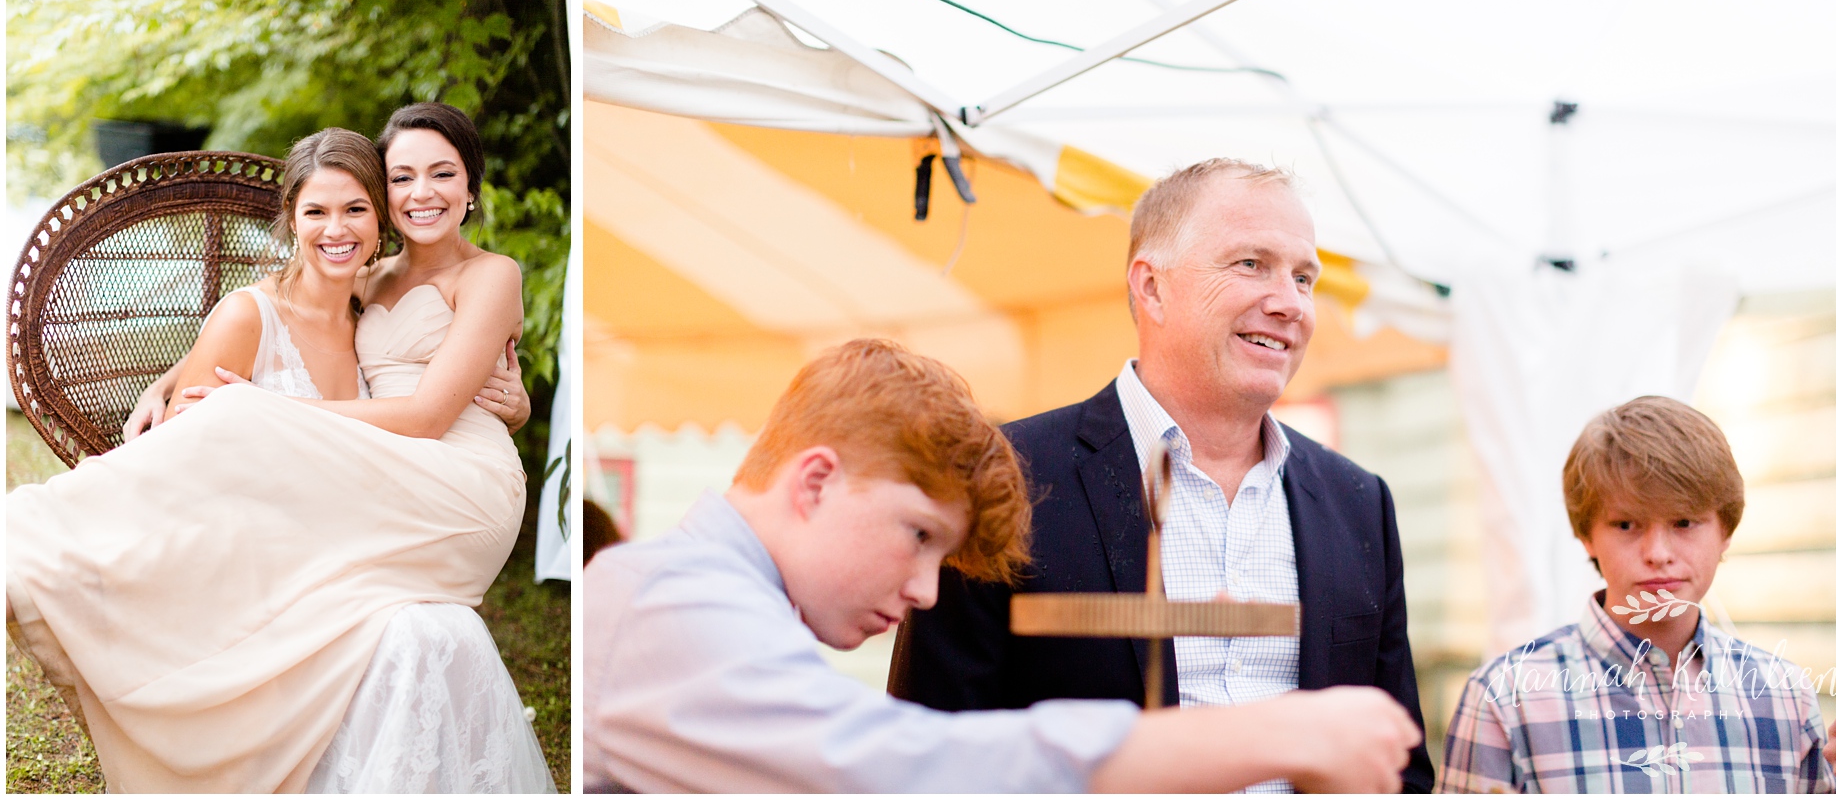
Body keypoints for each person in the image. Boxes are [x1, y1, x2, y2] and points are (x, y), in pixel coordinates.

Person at [582, 338, 1423, 793]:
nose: (923, 591)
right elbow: (909, 774)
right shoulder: (668, 601)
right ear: (815, 481)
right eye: (918, 535)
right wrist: (1276, 731)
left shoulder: (726, 609)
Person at [6, 110, 552, 792]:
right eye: (404, 175)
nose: (423, 191)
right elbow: (274, 309)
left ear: (472, 187)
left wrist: (264, 406)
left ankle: (37, 530)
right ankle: (50, 543)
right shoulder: (374, 278)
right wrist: (170, 376)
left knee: (240, 416)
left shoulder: (492, 273)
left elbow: (429, 409)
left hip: (461, 482)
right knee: (238, 437)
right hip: (395, 474)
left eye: (443, 173)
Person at [889, 158, 1433, 792]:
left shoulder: (1359, 501)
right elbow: (932, 754)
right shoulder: (1005, 476)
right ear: (1150, 287)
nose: (1290, 304)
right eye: (1250, 264)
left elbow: (1402, 767)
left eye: (1305, 278)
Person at [1437, 396, 1836, 793]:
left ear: (1726, 531)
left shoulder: (1784, 695)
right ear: (1586, 535)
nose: (1658, 554)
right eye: (1627, 525)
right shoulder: (1506, 699)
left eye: (1684, 522)